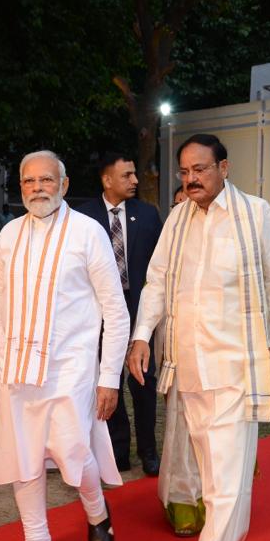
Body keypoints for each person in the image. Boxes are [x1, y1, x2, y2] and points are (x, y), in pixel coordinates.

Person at [126, 133, 270, 541]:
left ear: (224, 167)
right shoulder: (178, 218)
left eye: (200, 169)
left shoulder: (256, 214)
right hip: (188, 363)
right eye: (184, 171)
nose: (191, 178)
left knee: (226, 465)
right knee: (212, 465)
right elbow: (156, 281)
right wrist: (142, 336)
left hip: (237, 362)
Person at [0, 150, 131, 541]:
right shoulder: (9, 236)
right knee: (22, 456)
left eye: (46, 180)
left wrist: (108, 377)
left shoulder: (88, 232)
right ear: (19, 187)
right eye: (28, 181)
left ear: (63, 185)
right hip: (16, 367)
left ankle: (97, 513)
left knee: (73, 451)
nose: (37, 188)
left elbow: (115, 311)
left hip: (71, 368)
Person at [78, 152, 163, 476]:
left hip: (137, 309)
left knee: (143, 381)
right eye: (127, 175)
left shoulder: (148, 215)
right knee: (107, 377)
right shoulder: (83, 218)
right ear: (107, 179)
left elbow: (160, 266)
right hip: (98, 313)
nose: (135, 180)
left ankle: (149, 451)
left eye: (134, 174)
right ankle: (117, 449)